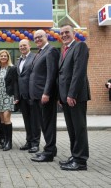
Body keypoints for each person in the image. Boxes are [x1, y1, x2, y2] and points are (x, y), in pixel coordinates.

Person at [58, 24, 91, 171]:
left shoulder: (80, 46)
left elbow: (79, 72)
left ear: (74, 33)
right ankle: (74, 155)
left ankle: (81, 161)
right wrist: (61, 96)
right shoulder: (65, 50)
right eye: (62, 33)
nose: (64, 35)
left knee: (79, 128)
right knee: (72, 129)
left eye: (67, 32)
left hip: (75, 97)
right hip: (66, 98)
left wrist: (72, 94)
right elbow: (62, 76)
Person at [29, 29, 59, 162]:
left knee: (48, 124)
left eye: (40, 37)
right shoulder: (40, 52)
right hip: (37, 95)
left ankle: (49, 152)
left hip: (44, 95)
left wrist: (46, 92)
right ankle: (49, 148)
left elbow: (51, 74)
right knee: (43, 123)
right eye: (35, 38)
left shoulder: (51, 51)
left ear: (46, 37)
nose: (37, 40)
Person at [17, 39, 41, 153]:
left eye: (24, 45)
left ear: (29, 46)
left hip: (32, 94)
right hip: (22, 96)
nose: (22, 47)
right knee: (27, 120)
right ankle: (29, 141)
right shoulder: (19, 60)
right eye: (20, 46)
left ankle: (35, 143)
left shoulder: (35, 58)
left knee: (35, 120)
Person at [0, 50, 19, 151]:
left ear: (8, 57)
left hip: (8, 96)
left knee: (7, 119)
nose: (3, 57)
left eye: (5, 56)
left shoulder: (12, 68)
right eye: (1, 56)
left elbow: (16, 83)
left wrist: (16, 97)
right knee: (2, 120)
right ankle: (5, 140)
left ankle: (9, 143)